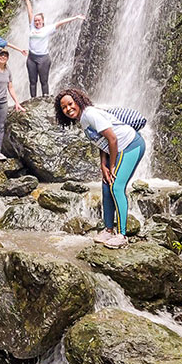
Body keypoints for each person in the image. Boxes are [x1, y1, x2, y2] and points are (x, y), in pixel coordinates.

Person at [54, 89, 146, 249]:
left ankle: (122, 235)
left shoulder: (90, 114)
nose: (68, 109)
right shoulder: (83, 120)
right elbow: (102, 141)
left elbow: (112, 138)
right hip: (116, 149)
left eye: (70, 104)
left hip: (131, 145)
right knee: (106, 186)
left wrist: (112, 165)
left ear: (77, 100)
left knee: (116, 187)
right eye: (64, 107)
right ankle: (108, 230)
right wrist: (103, 166)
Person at [24, 0, 86, 97]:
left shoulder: (47, 29)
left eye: (39, 20)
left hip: (43, 58)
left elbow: (61, 22)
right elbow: (30, 12)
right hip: (31, 58)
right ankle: (32, 99)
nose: (37, 22)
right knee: (32, 81)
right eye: (35, 21)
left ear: (43, 21)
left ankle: (45, 99)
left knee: (44, 81)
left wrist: (75, 18)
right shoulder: (32, 27)